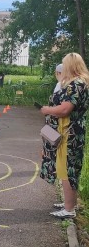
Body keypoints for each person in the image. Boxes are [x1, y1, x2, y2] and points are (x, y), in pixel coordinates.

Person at [40, 53, 89, 218]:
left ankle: (69, 210)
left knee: (67, 170)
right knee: (68, 169)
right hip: (72, 131)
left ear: (71, 65)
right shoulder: (80, 82)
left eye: (64, 63)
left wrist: (47, 110)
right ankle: (69, 203)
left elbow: (65, 109)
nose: (63, 66)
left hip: (69, 133)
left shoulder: (75, 84)